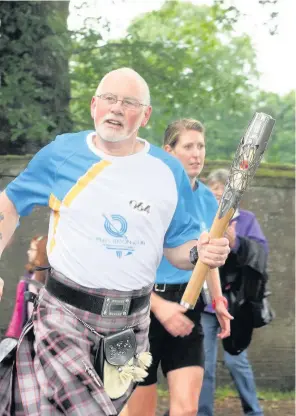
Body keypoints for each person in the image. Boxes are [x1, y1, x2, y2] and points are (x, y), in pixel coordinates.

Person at [0, 68, 230, 416]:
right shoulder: (63, 153)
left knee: (106, 407)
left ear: (146, 114)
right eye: (109, 98)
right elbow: (9, 202)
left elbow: (178, 249)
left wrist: (201, 252)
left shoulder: (168, 171)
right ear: (94, 105)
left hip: (129, 329)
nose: (117, 108)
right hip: (64, 315)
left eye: (130, 102)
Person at [124, 119, 233, 416]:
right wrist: (157, 306)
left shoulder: (209, 200)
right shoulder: (149, 198)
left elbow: (206, 257)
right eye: (188, 146)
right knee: (138, 412)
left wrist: (218, 300)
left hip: (187, 307)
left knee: (186, 410)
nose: (196, 153)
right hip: (142, 311)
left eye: (201, 146)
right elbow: (125, 264)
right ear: (169, 151)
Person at [198, 168, 267, 416]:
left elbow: (260, 255)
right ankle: (202, 412)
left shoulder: (246, 220)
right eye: (214, 194)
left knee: (236, 360)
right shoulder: (202, 219)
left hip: (236, 305)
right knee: (204, 364)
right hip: (206, 305)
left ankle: (254, 412)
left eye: (224, 194)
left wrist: (237, 242)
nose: (219, 199)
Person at [4, 235, 48, 339]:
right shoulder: (28, 280)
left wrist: (11, 336)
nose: (28, 252)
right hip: (34, 334)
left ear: (41, 254)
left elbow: (18, 314)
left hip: (35, 334)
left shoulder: (31, 282)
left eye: (32, 249)